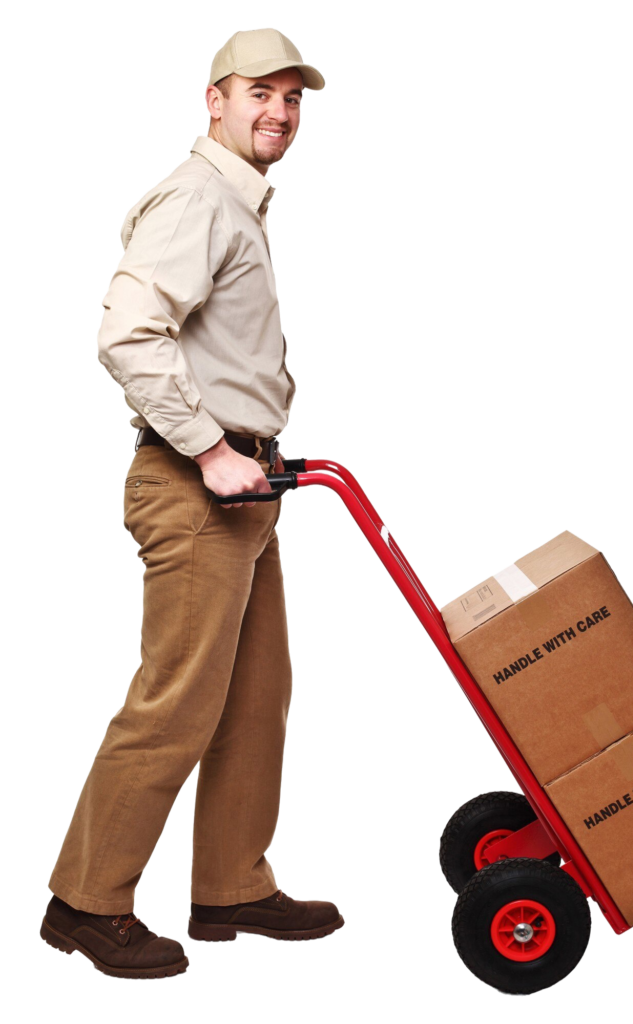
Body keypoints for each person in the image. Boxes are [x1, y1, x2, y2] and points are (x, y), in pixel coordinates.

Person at [39, 27, 344, 981]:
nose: (279, 113)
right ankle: (85, 904)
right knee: (175, 702)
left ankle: (230, 887)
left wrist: (248, 454)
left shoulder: (242, 201)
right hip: (196, 486)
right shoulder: (198, 198)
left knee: (256, 700)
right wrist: (211, 450)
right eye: (260, 93)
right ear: (214, 99)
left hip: (252, 488)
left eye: (293, 99)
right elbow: (128, 333)